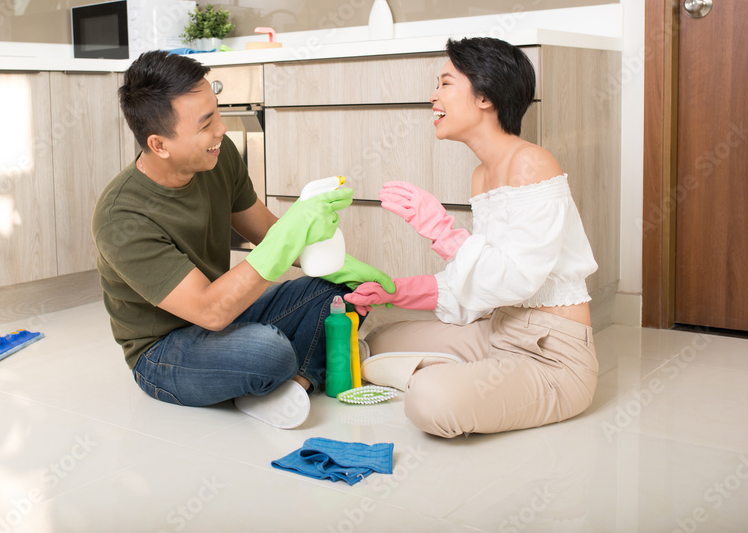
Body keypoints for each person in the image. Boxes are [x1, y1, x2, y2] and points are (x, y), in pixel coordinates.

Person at [93, 50, 393, 429]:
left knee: (339, 292)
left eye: (217, 113)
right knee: (268, 352)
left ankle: (293, 385)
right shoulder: (121, 216)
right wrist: (289, 234)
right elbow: (209, 310)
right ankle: (296, 368)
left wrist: (337, 262)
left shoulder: (218, 157)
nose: (220, 130)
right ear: (159, 145)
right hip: (164, 352)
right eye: (205, 124)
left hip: (224, 313)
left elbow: (267, 232)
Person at [346, 37, 599, 438]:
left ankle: (453, 380)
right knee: (378, 338)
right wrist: (393, 291)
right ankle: (472, 377)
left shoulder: (533, 164)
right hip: (497, 329)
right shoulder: (482, 175)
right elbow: (482, 281)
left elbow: (516, 280)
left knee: (430, 400)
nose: (433, 96)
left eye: (445, 83)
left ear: (485, 95)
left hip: (551, 357)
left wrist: (442, 231)